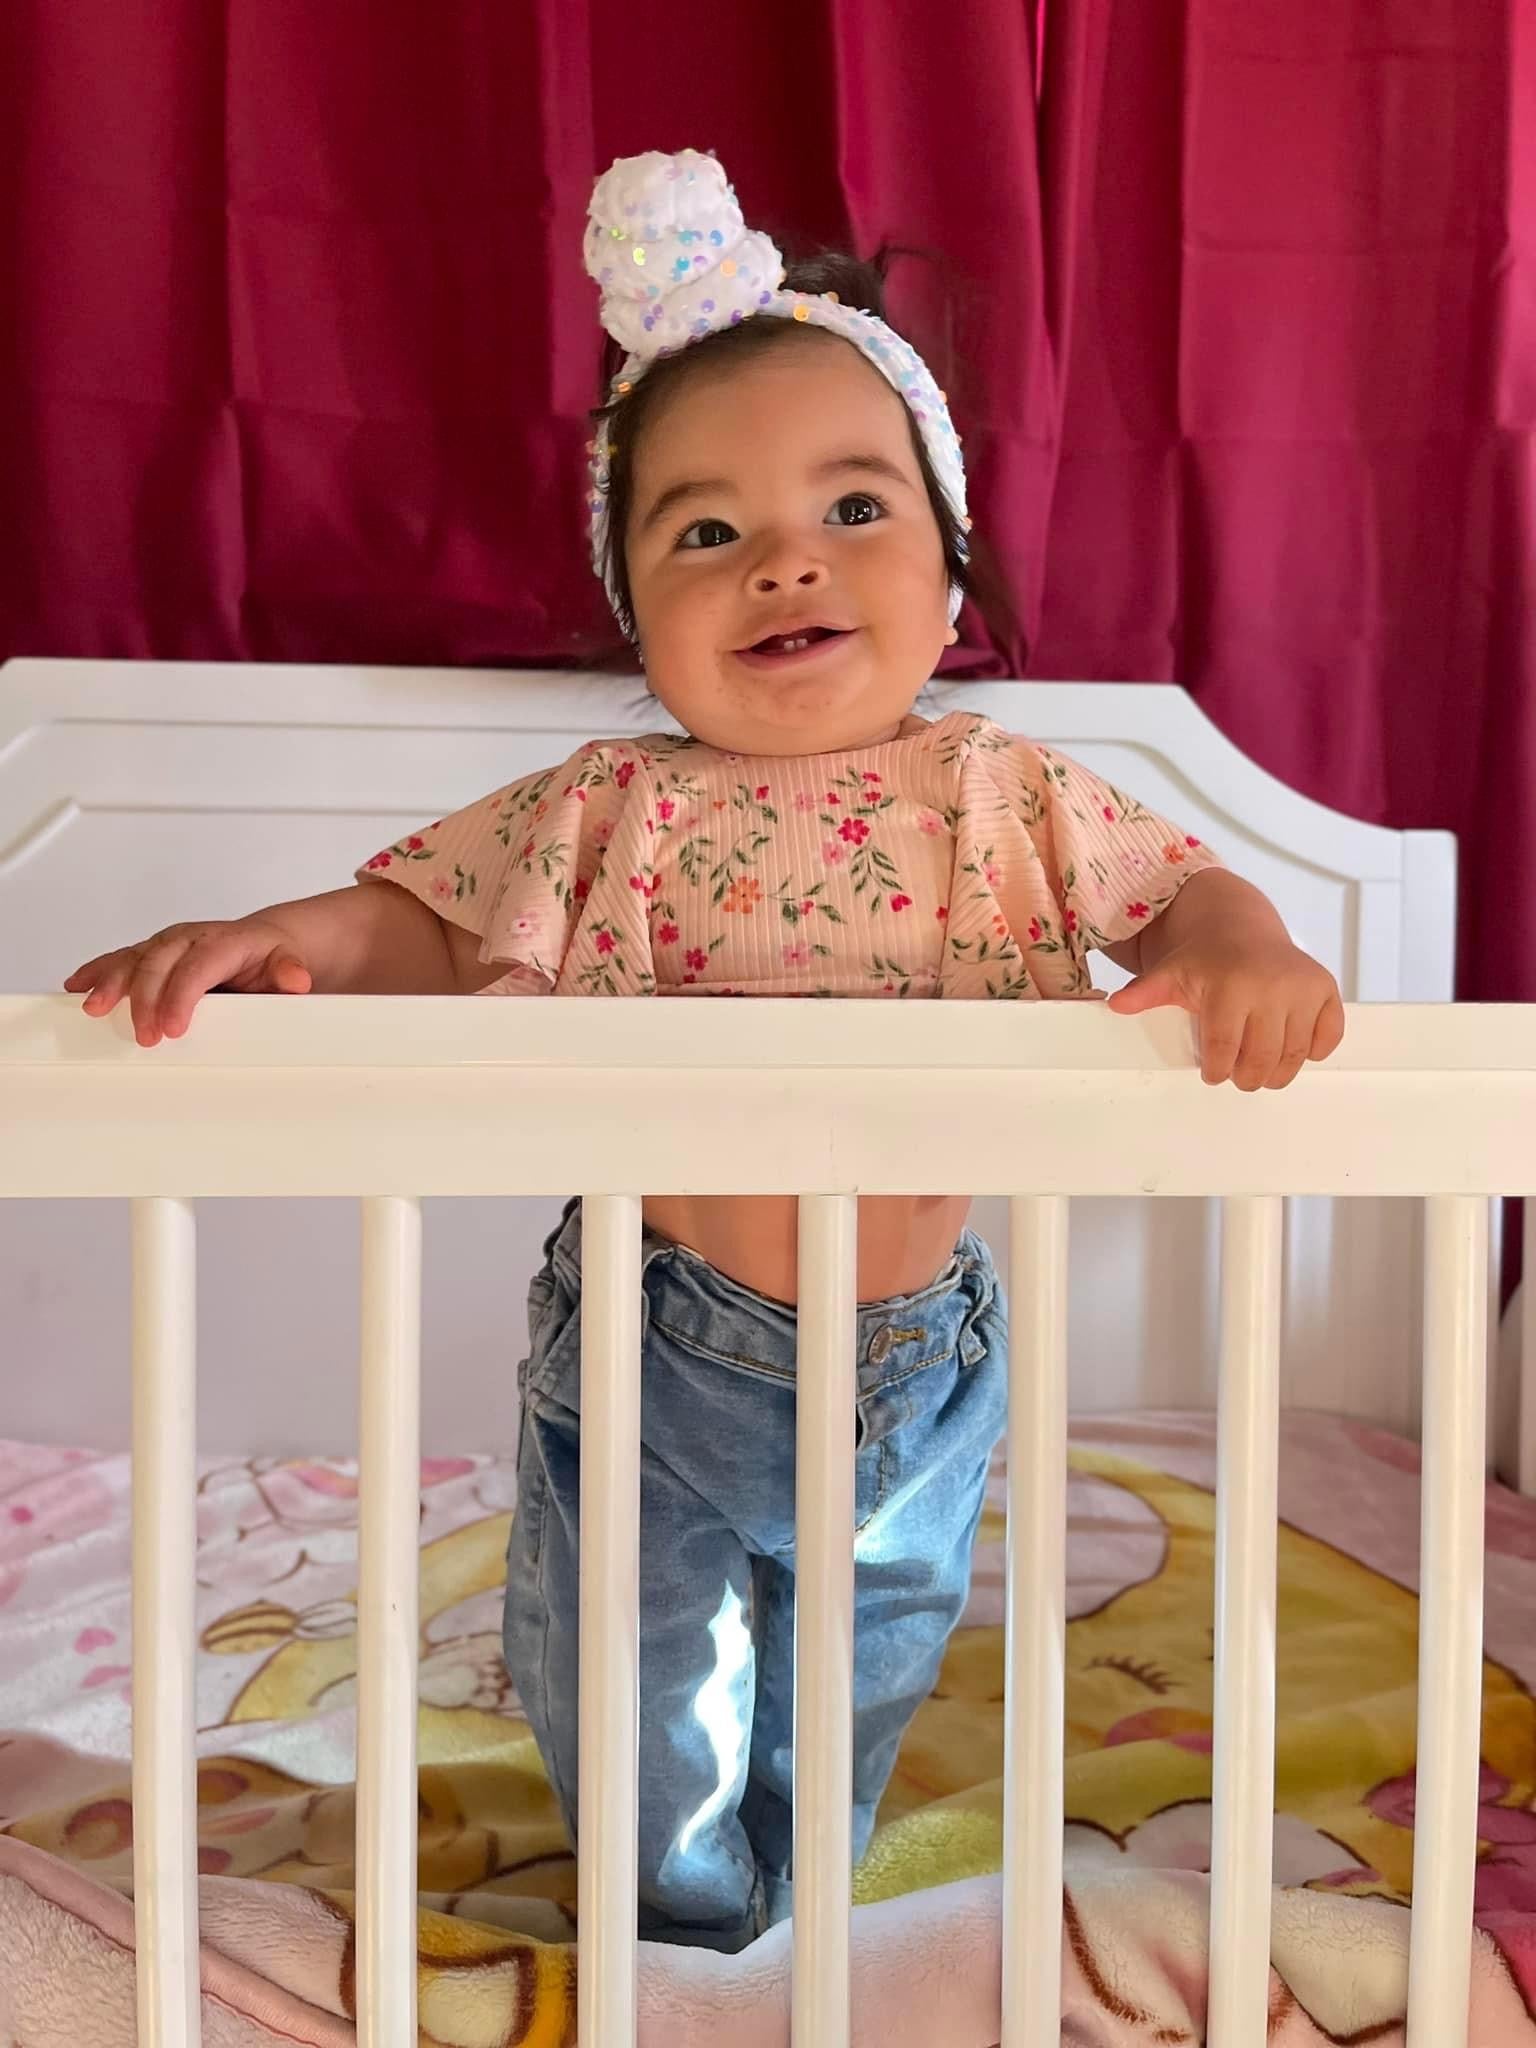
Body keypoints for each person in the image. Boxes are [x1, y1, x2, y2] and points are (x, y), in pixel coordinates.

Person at [65, 148, 1344, 1950]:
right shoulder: (609, 807)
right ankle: (676, 1943)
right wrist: (279, 943)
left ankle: (796, 1915)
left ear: (951, 578)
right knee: (630, 1671)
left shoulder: (1006, 791)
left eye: (853, 507)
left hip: (914, 1354)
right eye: (706, 533)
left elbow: (1186, 892)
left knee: (868, 1652)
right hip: (659, 1346)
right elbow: (421, 925)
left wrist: (1240, 952)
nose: (785, 561)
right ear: (637, 609)